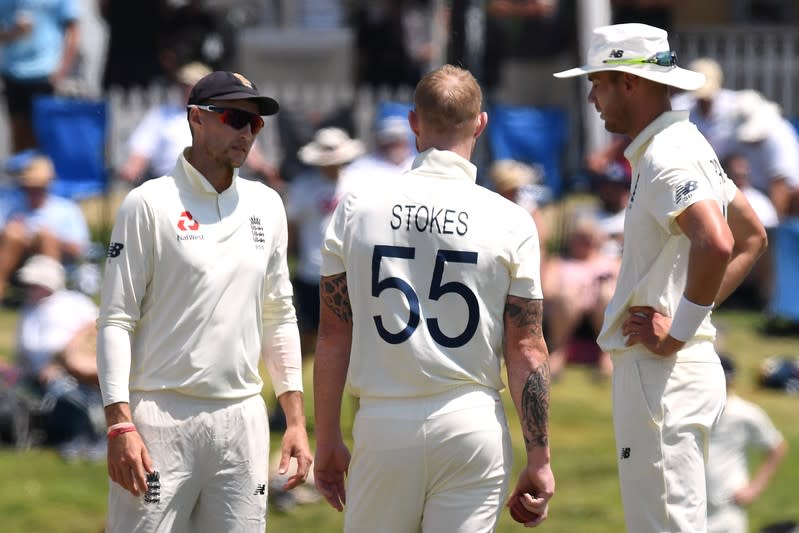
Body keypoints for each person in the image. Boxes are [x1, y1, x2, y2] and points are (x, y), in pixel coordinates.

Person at [313, 64, 554, 532]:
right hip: (471, 421)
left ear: (413, 122)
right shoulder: (511, 219)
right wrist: (539, 458)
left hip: (384, 421)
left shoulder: (357, 207)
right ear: (480, 124)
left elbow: (332, 335)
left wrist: (327, 441)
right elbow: (527, 348)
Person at [554, 23, 768, 532]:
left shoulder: (667, 154)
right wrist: (689, 323)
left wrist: (677, 333)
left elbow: (719, 241)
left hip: (662, 374)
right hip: (672, 373)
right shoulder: (682, 141)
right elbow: (751, 236)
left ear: (630, 82)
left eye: (599, 82)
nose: (591, 96)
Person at [96, 70, 312, 532]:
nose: (246, 133)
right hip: (160, 417)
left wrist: (295, 419)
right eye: (235, 118)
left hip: (243, 419)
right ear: (196, 118)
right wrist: (119, 424)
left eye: (255, 124)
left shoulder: (267, 205)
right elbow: (115, 319)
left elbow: (278, 313)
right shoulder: (147, 203)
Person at [118, 62, 283, 191]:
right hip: (169, 180)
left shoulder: (264, 201)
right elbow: (139, 155)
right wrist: (130, 173)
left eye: (254, 122)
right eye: (185, 83)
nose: (246, 132)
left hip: (223, 182)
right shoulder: (161, 115)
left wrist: (271, 175)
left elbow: (254, 159)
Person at [285, 126, 365, 358]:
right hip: (311, 272)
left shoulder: (358, 185)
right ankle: (290, 389)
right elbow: (293, 228)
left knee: (352, 339)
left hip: (348, 272)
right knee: (306, 335)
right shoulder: (302, 186)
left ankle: (355, 393)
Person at [14, 254, 104, 456]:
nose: (29, 287)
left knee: (63, 390)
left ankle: (81, 436)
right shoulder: (27, 311)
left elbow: (98, 328)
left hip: (73, 373)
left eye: (33, 283)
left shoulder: (73, 302)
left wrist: (62, 359)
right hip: (35, 377)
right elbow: (22, 357)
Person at [706, 354, 788, 533]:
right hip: (691, 506)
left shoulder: (744, 413)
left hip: (727, 507)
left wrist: (754, 488)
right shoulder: (691, 412)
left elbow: (777, 447)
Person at [0, 153, 89, 304]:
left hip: (57, 259)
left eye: (37, 187)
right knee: (13, 233)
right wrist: (18, 233)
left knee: (46, 237)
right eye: (28, 187)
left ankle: (49, 296)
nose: (32, 191)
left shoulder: (67, 209)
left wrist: (49, 238)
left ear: (47, 186)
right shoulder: (11, 207)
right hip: (17, 259)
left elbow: (79, 249)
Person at [0, 0, 80, 152]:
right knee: (19, 139)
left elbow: (73, 30)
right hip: (13, 74)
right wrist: (13, 33)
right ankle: (22, 172)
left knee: (46, 139)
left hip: (46, 75)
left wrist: (62, 70)